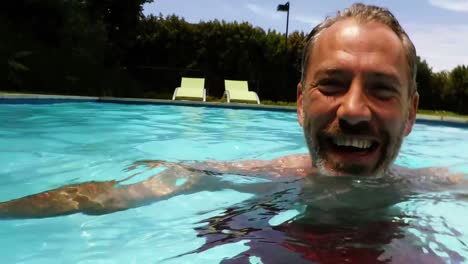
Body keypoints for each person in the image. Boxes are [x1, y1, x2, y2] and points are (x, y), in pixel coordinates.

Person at [0, 3, 463, 219]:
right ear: (301, 104)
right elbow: (112, 196)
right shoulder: (266, 176)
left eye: (382, 89)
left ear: (410, 113)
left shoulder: (441, 187)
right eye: (332, 84)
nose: (356, 110)